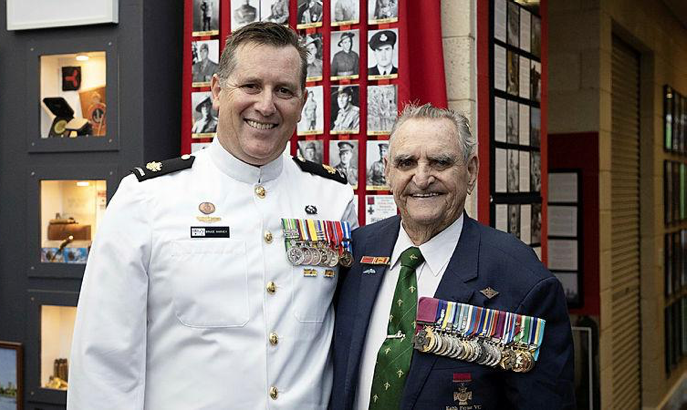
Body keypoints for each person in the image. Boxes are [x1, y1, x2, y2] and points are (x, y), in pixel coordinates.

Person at [68, 22, 358, 410]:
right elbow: (103, 360)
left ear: (303, 103)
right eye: (251, 85)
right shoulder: (148, 198)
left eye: (284, 90)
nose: (267, 105)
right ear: (218, 92)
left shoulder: (332, 198)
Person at [331, 104, 575, 409]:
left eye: (439, 162)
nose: (421, 178)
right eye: (406, 163)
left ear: (471, 170)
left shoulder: (523, 281)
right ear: (387, 171)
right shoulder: (357, 252)